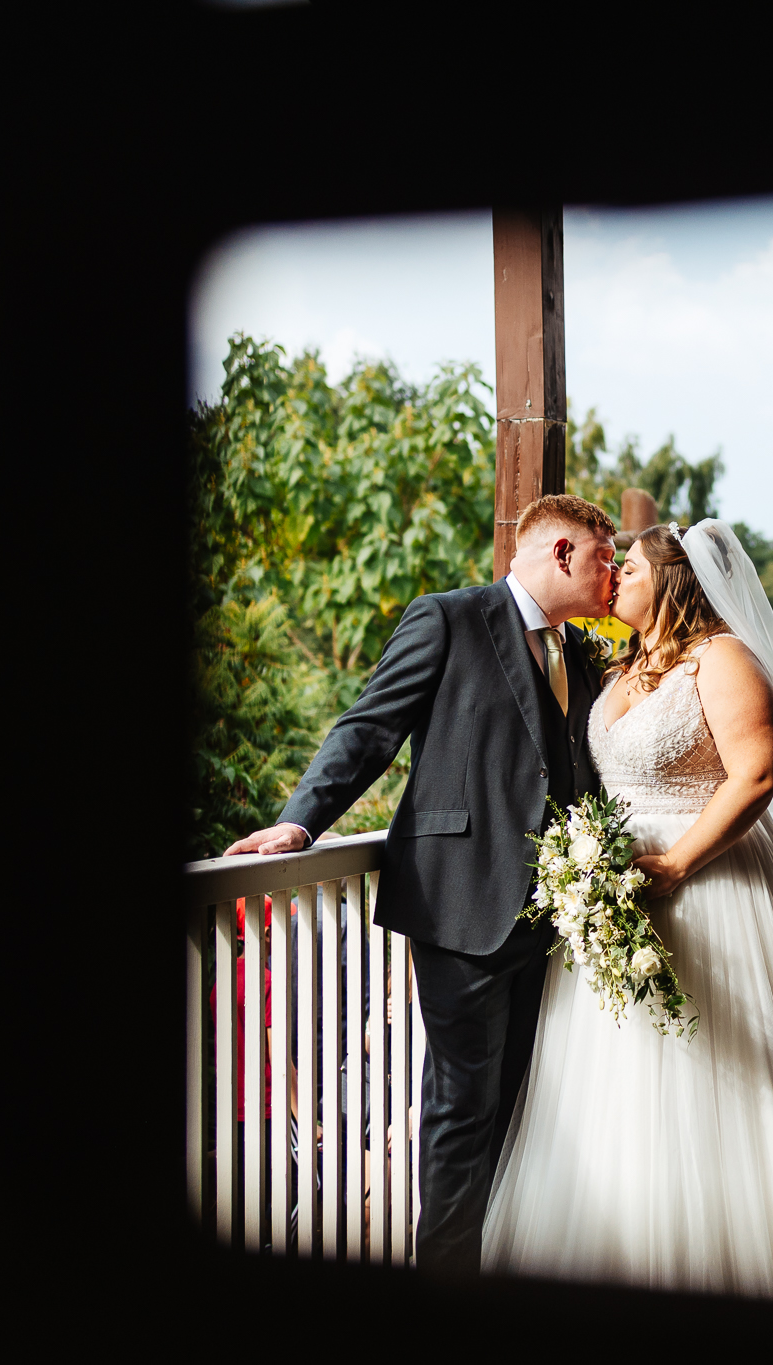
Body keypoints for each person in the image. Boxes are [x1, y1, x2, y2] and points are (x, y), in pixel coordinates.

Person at [482, 520, 773, 1303]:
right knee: (616, 1085)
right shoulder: (621, 665)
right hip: (618, 897)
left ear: (671, 578)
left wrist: (673, 864)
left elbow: (757, 774)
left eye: (625, 565)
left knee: (720, 1074)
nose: (613, 577)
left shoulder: (725, 658)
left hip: (711, 889)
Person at [223, 493, 618, 1279]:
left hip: (553, 922)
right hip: (460, 907)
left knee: (519, 1106)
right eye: (605, 557)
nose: (613, 574)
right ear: (563, 553)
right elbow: (367, 726)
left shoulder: (579, 653)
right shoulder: (448, 618)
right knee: (460, 1112)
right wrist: (301, 822)